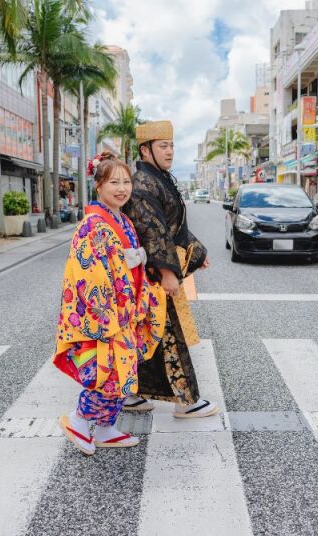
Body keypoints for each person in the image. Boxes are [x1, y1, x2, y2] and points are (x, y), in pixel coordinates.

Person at [53, 152, 167, 456]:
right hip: (107, 313)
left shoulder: (121, 219)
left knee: (124, 371)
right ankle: (79, 420)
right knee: (108, 373)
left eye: (126, 181)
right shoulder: (93, 224)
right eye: (113, 181)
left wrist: (138, 298)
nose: (122, 188)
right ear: (98, 186)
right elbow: (88, 274)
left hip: (125, 309)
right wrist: (112, 309)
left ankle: (104, 428)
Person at [121, 120, 219, 418]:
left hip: (157, 268)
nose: (170, 151)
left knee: (149, 331)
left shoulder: (159, 178)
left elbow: (176, 226)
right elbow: (154, 232)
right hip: (152, 272)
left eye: (172, 145)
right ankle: (186, 402)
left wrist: (196, 249)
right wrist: (167, 272)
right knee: (167, 331)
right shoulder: (142, 184)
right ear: (145, 150)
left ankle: (132, 392)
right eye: (163, 146)